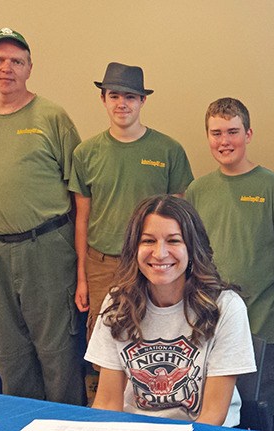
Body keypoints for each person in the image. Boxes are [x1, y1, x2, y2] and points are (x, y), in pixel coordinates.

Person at [0, 28, 85, 403]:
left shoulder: (52, 116)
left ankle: (63, 425)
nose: (6, 68)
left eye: (16, 61)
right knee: (9, 355)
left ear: (29, 68)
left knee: (57, 354)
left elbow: (78, 191)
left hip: (46, 248)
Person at [85, 195, 256, 426]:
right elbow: (107, 403)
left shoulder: (226, 307)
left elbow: (212, 417)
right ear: (134, 248)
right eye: (148, 241)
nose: (160, 253)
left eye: (173, 241)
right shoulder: (117, 304)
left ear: (192, 248)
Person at [184, 97, 274, 423]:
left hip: (264, 325)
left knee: (259, 414)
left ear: (248, 134)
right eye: (216, 133)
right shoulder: (197, 190)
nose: (224, 141)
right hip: (208, 327)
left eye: (232, 132)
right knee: (218, 415)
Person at [68, 62, 193, 340]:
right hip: (103, 264)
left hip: (154, 261)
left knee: (155, 338)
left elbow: (180, 222)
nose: (121, 104)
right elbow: (82, 219)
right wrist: (82, 276)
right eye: (114, 95)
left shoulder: (168, 150)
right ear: (103, 99)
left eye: (130, 97)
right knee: (105, 342)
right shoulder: (85, 153)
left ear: (142, 100)